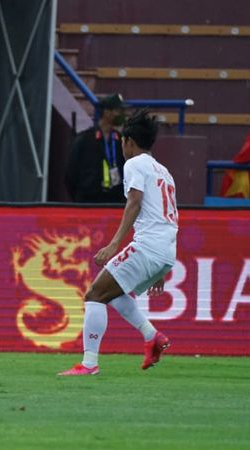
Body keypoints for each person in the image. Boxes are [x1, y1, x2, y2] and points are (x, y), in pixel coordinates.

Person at [59, 109, 177, 376]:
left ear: (129, 142)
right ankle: (152, 336)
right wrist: (163, 266)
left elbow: (134, 202)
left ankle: (89, 364)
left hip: (148, 246)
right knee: (114, 294)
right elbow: (170, 215)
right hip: (164, 249)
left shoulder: (134, 164)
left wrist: (114, 244)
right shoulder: (164, 171)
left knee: (94, 295)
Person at [65, 93, 128, 203]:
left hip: (115, 201)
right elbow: (70, 175)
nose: (121, 114)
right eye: (118, 111)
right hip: (89, 203)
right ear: (107, 112)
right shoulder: (84, 140)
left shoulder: (120, 140)